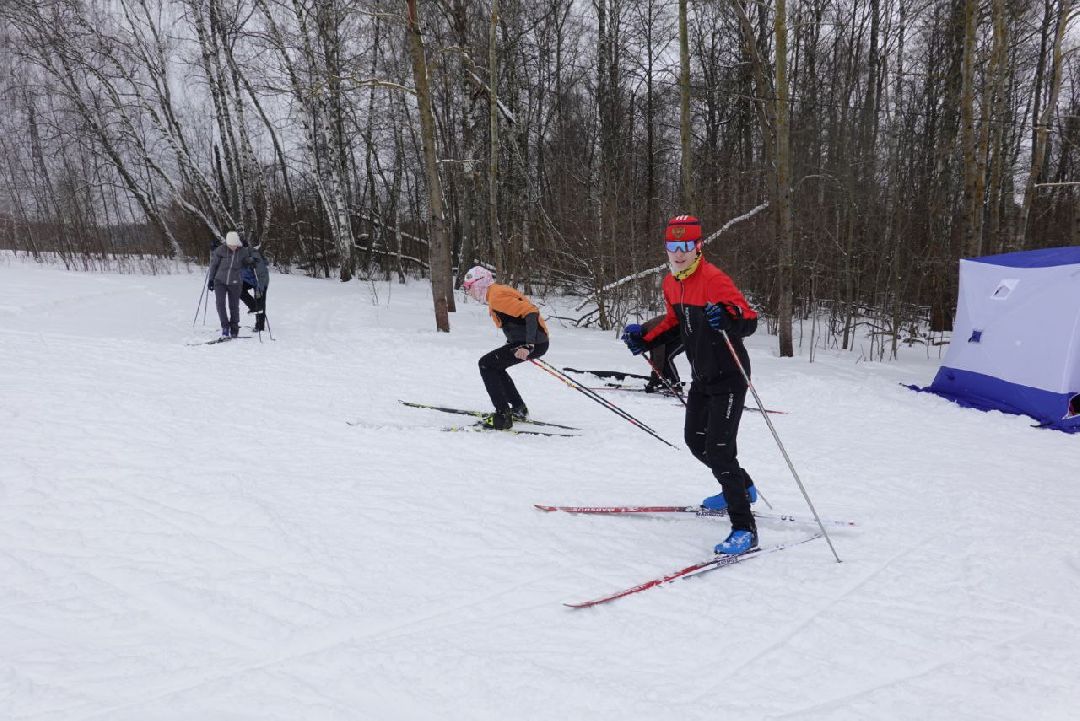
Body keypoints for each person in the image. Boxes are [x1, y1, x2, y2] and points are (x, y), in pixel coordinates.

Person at [621, 215, 760, 555]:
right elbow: (674, 324)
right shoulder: (672, 283)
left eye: (685, 247)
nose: (679, 254)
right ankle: (743, 488)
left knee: (719, 450)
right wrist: (645, 338)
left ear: (698, 247)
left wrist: (729, 319)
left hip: (730, 376)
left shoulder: (713, 278)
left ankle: (745, 528)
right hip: (702, 377)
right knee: (696, 443)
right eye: (673, 247)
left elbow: (749, 319)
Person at [463, 265, 550, 430]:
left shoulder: (496, 296)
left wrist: (528, 344)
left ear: (480, 284)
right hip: (529, 342)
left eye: (470, 287)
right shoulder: (495, 293)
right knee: (495, 366)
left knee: (486, 364)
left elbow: (531, 313)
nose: (469, 292)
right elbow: (516, 321)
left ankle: (503, 416)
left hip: (532, 343)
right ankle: (518, 409)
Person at [207, 231, 254, 339]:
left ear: (237, 243)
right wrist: (211, 280)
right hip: (220, 281)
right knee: (220, 304)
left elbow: (247, 263)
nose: (232, 247)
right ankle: (225, 327)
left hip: (235, 283)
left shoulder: (242, 251)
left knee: (234, 306)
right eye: (230, 245)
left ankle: (234, 328)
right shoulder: (220, 250)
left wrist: (250, 259)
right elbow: (214, 266)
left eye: (234, 245)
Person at [640, 314, 685, 393]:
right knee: (663, 357)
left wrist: (653, 380)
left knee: (667, 358)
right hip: (676, 334)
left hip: (686, 334)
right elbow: (653, 354)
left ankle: (676, 385)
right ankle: (666, 381)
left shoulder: (653, 331)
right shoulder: (646, 329)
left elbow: (658, 357)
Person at [240, 244, 270, 333]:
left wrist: (259, 289)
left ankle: (260, 326)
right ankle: (253, 306)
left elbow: (261, 274)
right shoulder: (237, 254)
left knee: (259, 299)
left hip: (261, 280)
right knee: (239, 290)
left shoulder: (254, 254)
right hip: (249, 279)